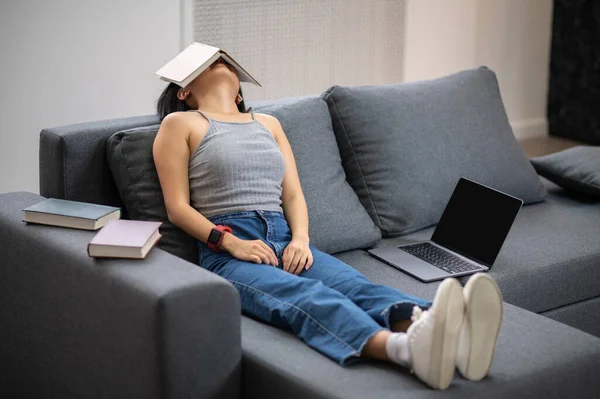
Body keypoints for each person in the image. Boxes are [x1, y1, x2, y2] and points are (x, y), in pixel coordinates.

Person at [152, 57, 504, 390]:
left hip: (286, 237)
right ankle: (406, 350)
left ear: (241, 91)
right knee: (307, 295)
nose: (222, 63)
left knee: (355, 285)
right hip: (228, 252)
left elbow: (292, 196)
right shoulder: (180, 124)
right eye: (210, 62)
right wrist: (230, 243)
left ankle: (450, 335)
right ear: (185, 89)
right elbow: (177, 208)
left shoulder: (268, 124)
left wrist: (301, 239)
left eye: (225, 61)